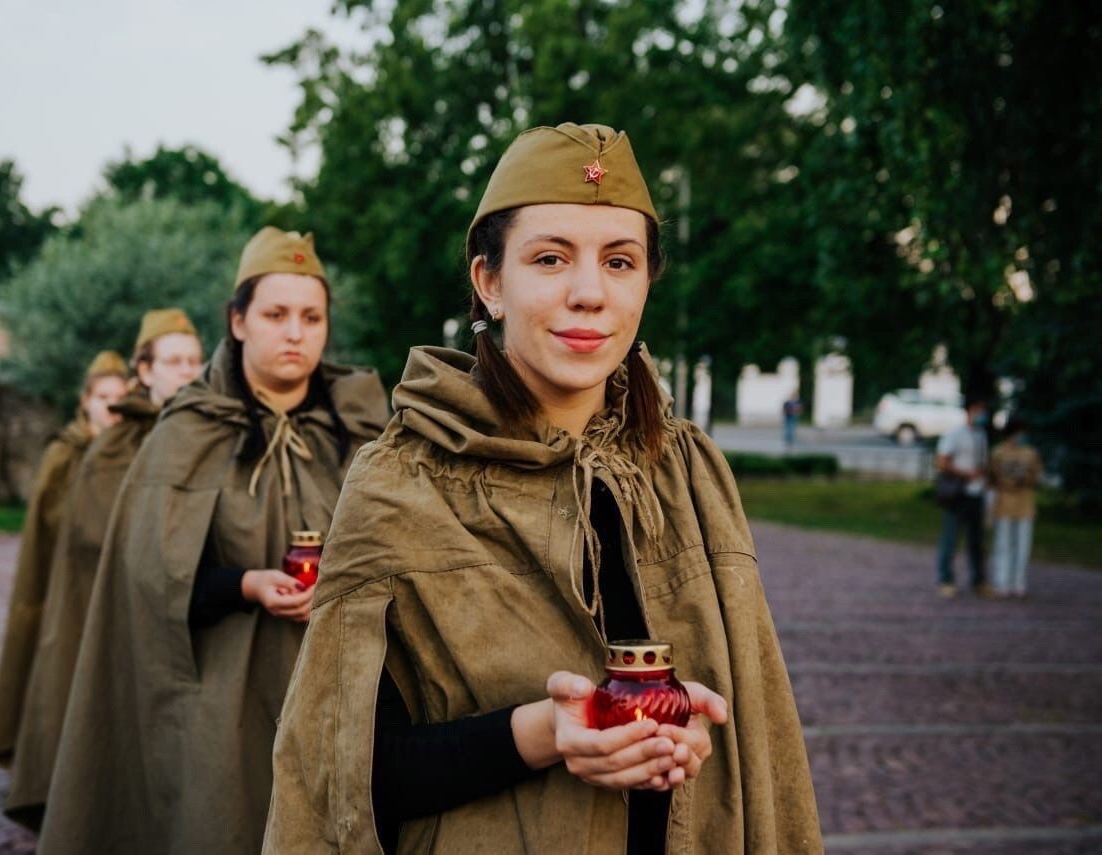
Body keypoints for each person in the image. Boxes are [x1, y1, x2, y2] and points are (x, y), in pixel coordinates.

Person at [265, 123, 821, 854]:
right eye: (551, 258)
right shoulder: (399, 482)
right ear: (489, 281)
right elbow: (341, 780)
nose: (589, 293)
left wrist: (688, 731)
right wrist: (539, 734)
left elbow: (761, 743)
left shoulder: (690, 471)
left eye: (620, 261)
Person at [38, 228, 389, 854]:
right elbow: (145, 579)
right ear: (238, 321)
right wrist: (245, 584)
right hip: (222, 696)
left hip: (346, 691)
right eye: (275, 315)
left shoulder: (364, 424)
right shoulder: (187, 430)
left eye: (311, 317)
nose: (295, 332)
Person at [3, 310, 203, 828]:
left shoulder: (208, 430)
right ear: (144, 370)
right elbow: (97, 541)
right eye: (174, 360)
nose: (187, 370)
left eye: (194, 360)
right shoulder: (115, 445)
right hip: (117, 610)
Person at [0, 350, 127, 767]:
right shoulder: (64, 456)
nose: (112, 407)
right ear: (85, 401)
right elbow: (51, 531)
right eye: (103, 397)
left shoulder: (135, 455)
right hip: (67, 589)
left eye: (120, 397)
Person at [935, 396, 990, 599]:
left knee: (977, 540)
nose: (982, 415)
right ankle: (945, 579)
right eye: (978, 410)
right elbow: (942, 462)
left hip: (977, 493)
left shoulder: (981, 435)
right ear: (970, 410)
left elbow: (983, 464)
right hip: (958, 493)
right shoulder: (955, 435)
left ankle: (979, 580)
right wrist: (966, 474)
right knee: (951, 539)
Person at [989, 417, 1042, 598]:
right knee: (1003, 545)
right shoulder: (998, 452)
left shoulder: (1030, 453)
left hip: (1024, 504)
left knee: (1022, 546)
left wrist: (1024, 480)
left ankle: (1018, 583)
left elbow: (1035, 477)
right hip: (1004, 504)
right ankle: (1001, 582)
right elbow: (992, 477)